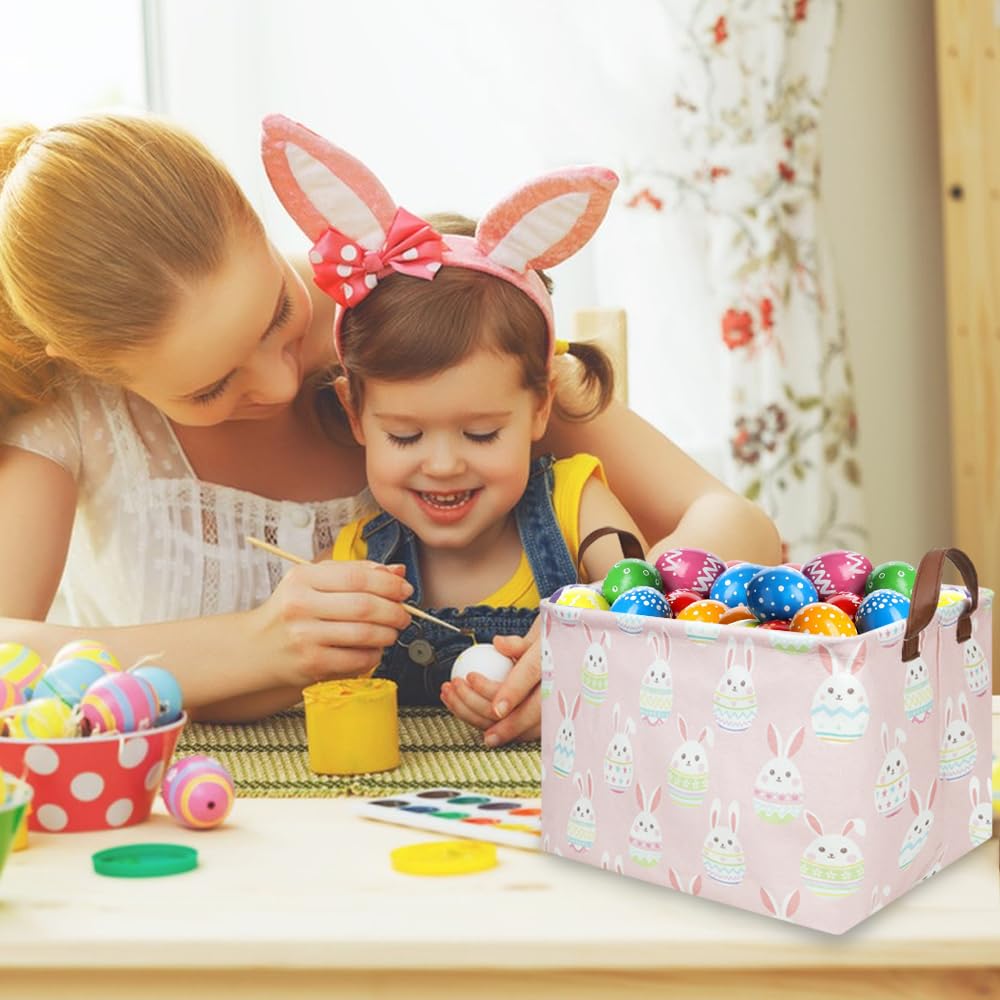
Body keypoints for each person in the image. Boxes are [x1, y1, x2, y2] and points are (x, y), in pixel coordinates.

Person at [0, 112, 780, 744]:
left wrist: (627, 620)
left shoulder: (412, 318)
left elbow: (734, 523)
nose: (278, 382)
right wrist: (254, 645)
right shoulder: (71, 412)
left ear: (255, 215)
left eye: (276, 311)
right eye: (209, 387)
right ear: (92, 368)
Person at [261, 113, 644, 712]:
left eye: (482, 433)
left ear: (541, 406)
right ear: (356, 416)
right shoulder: (359, 558)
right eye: (406, 436)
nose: (442, 464)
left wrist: (590, 659)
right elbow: (295, 686)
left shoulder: (575, 502)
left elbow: (639, 604)